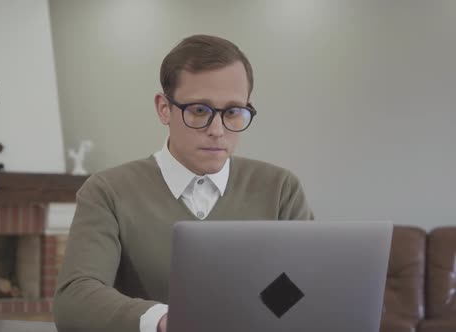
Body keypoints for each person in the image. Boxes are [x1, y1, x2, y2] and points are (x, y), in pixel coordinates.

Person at [53, 34, 314, 332]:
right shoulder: (108, 191)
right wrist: (165, 320)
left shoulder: (281, 189)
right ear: (164, 108)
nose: (217, 130)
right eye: (200, 111)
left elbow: (306, 285)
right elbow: (74, 300)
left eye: (232, 112)